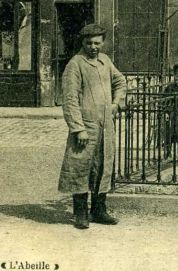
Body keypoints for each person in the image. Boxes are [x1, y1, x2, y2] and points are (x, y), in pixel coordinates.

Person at [58, 23, 126, 229]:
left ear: (103, 42)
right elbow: (69, 100)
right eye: (89, 43)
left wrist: (116, 103)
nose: (93, 47)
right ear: (82, 42)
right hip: (86, 128)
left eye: (97, 43)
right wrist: (78, 128)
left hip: (106, 126)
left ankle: (99, 210)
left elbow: (120, 81)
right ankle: (80, 213)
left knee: (103, 166)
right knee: (81, 166)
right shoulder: (75, 64)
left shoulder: (105, 61)